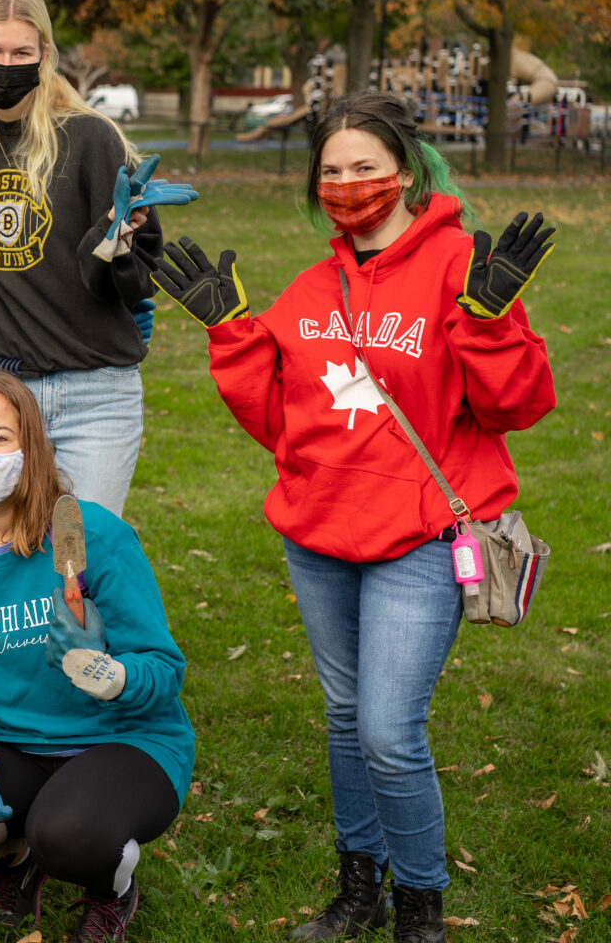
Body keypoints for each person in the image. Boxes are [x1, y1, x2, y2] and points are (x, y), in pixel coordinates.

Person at [143, 92, 556, 943]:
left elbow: (517, 405)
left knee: (389, 732)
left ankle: (421, 909)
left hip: (420, 538)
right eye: (331, 171)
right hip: (321, 535)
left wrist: (489, 319)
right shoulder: (309, 290)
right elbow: (280, 425)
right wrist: (232, 334)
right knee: (344, 717)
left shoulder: (457, 268)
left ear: (403, 173)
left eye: (365, 168)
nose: (347, 184)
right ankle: (357, 885)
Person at [0, 372, 194, 942]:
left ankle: (112, 888)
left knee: (70, 834)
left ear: (32, 449)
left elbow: (164, 669)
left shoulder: (91, 535)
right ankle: (19, 856)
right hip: (16, 744)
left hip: (125, 742)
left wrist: (108, 673)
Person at [0, 0, 188, 517]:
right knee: (16, 568)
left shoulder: (90, 137)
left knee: (80, 566)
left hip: (94, 393)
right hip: (5, 395)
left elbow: (139, 278)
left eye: (22, 51)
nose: (7, 64)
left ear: (44, 54)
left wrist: (116, 241)